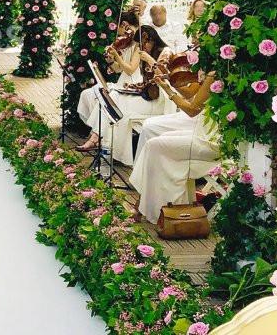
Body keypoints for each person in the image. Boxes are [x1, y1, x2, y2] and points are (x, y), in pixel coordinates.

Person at [129, 70, 220, 223]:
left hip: (210, 141)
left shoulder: (214, 75)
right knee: (158, 141)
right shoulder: (217, 72)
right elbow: (195, 99)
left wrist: (167, 89)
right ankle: (156, 203)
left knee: (154, 145)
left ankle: (147, 205)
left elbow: (192, 110)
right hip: (204, 133)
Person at [78, 25, 173, 165]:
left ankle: (100, 140)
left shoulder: (165, 51)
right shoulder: (144, 52)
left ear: (152, 39)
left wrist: (149, 60)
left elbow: (166, 76)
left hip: (160, 100)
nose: (143, 47)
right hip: (148, 95)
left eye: (145, 43)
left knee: (118, 103)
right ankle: (100, 139)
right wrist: (136, 87)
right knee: (113, 98)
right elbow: (146, 80)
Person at [76, 11, 141, 126]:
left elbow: (130, 70)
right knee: (87, 94)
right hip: (123, 80)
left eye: (118, 28)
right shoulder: (127, 42)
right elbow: (118, 69)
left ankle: (98, 133)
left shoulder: (138, 43)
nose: (118, 32)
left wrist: (116, 55)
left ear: (124, 24)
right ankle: (98, 130)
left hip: (133, 82)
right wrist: (110, 61)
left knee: (104, 99)